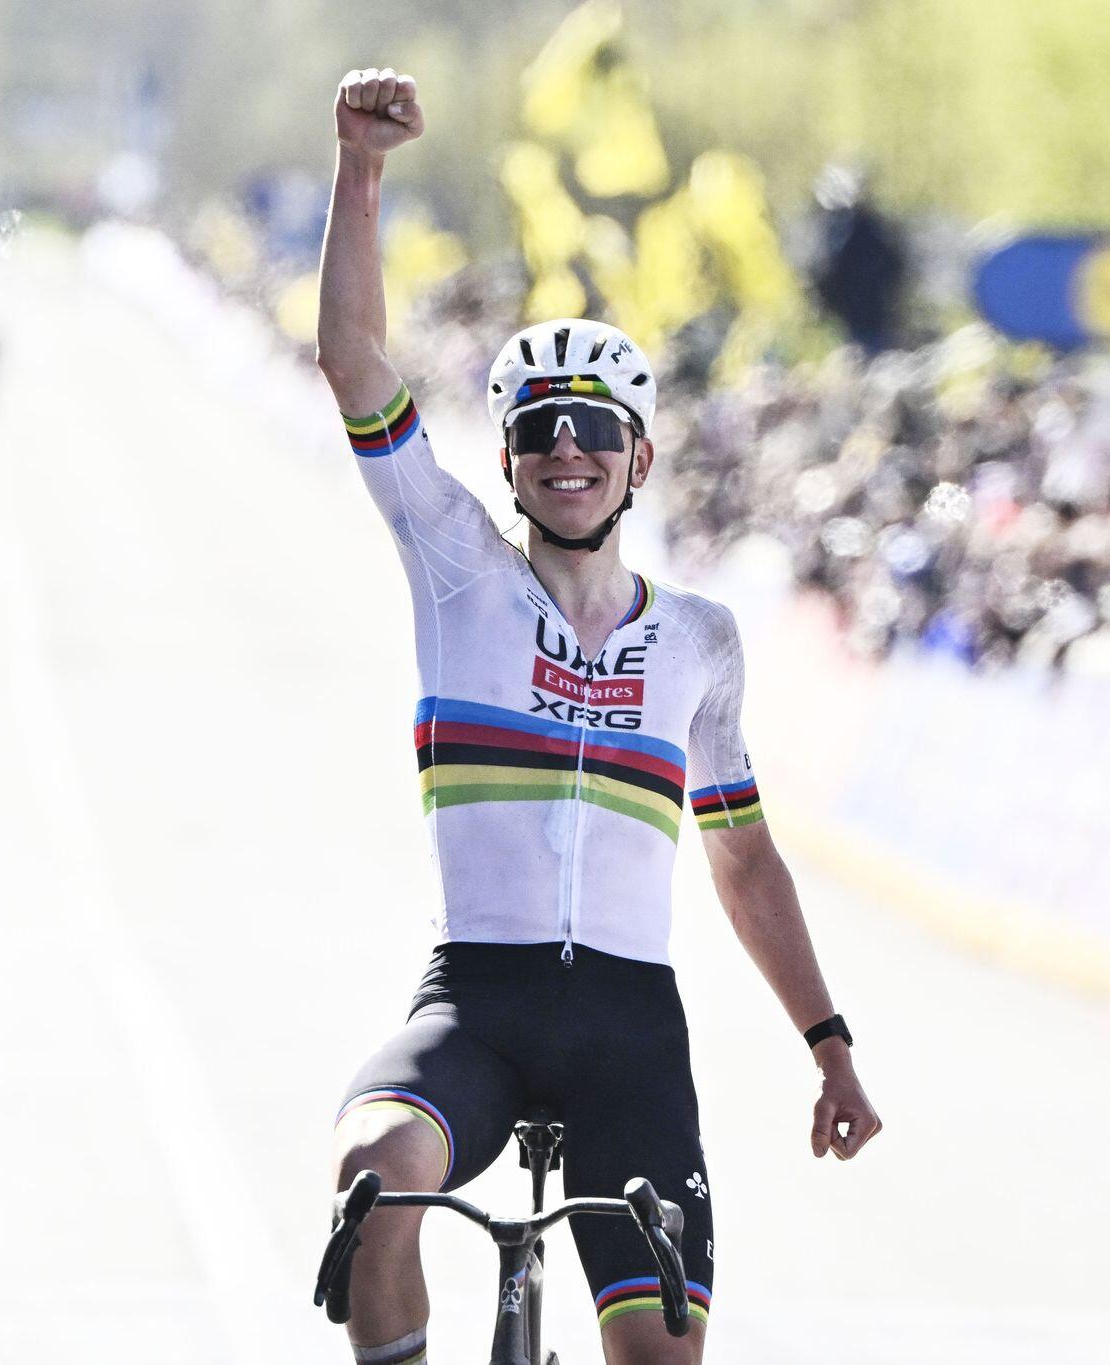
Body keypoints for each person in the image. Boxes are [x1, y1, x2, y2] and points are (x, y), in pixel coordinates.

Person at [315, 69, 882, 1365]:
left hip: (630, 1032)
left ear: (640, 459)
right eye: (541, 429)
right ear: (508, 459)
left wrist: (829, 1045)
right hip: (479, 1004)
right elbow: (353, 363)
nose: (567, 448)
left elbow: (745, 862)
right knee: (371, 1168)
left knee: (658, 1356)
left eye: (594, 429)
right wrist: (362, 169)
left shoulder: (700, 640)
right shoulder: (457, 570)